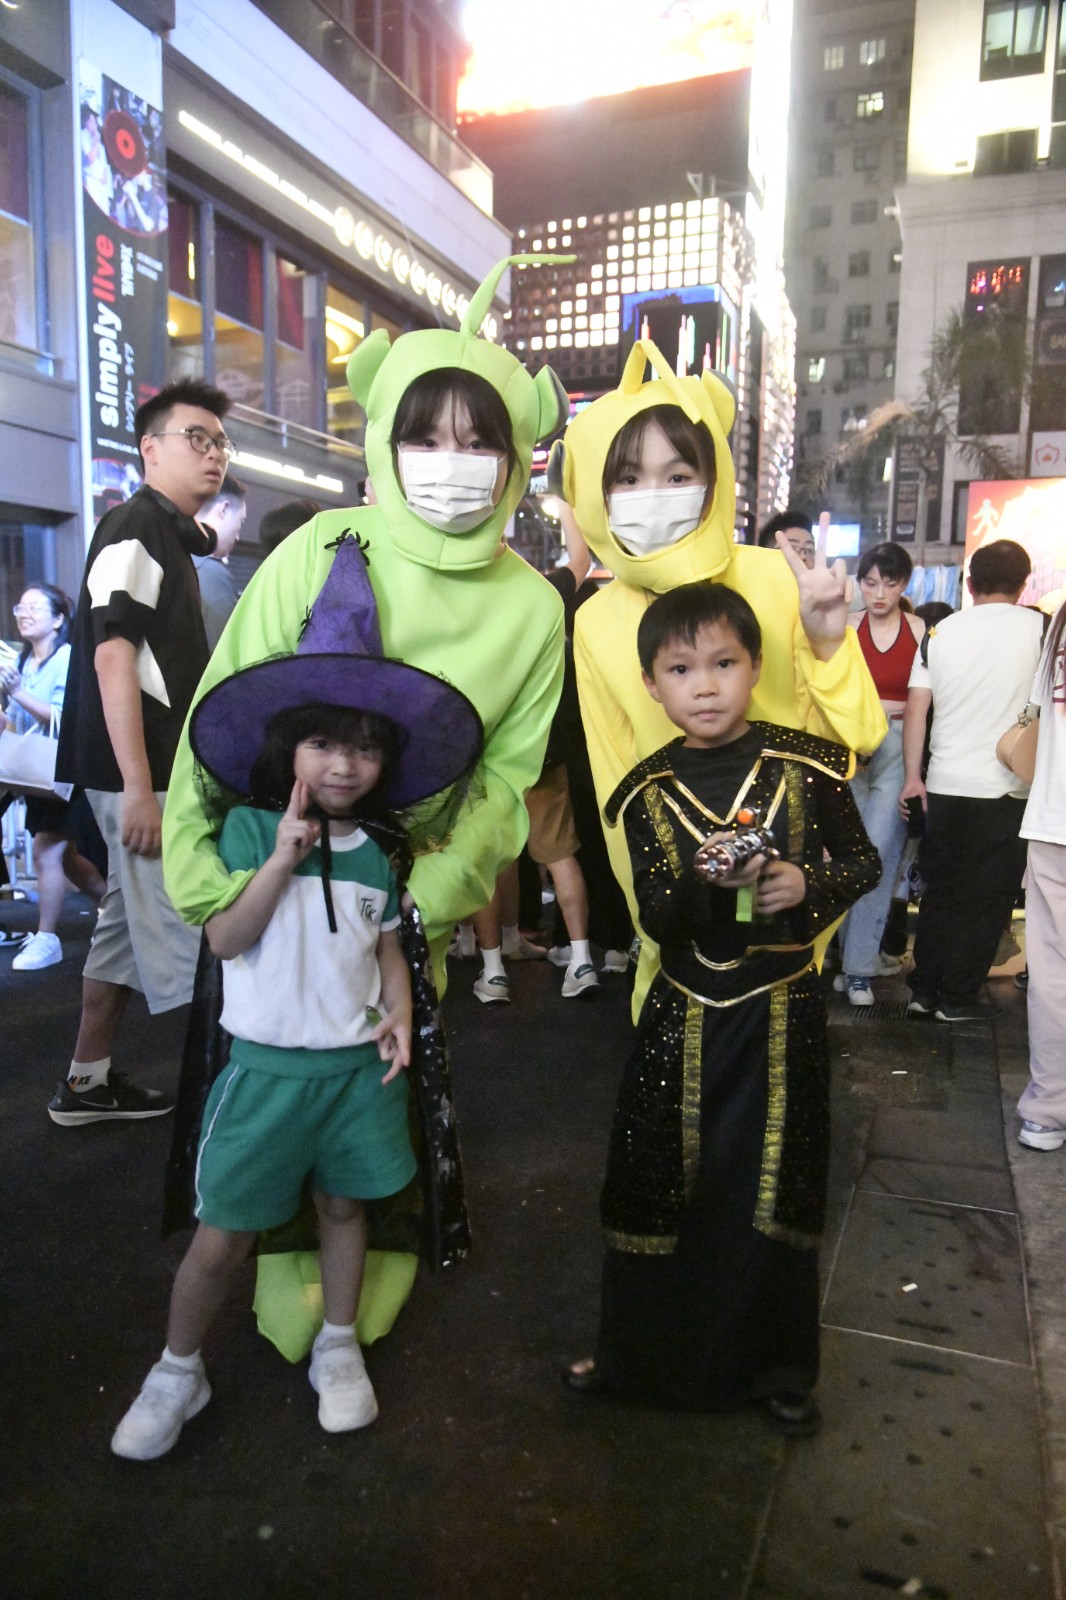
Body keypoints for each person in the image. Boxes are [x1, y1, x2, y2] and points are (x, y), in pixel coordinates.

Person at [110, 632, 482, 1460]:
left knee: (345, 1208)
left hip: (359, 1077)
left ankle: (337, 1345)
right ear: (289, 749)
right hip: (264, 1079)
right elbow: (226, 939)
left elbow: (385, 947)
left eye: (366, 748)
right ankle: (177, 1371)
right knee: (223, 1236)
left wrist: (398, 1013)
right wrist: (281, 859)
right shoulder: (248, 830)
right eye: (323, 743)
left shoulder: (378, 855)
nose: (345, 765)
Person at [563, 582, 878, 1432]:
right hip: (683, 1014)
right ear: (650, 684)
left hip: (782, 1013)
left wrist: (806, 883)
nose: (704, 686)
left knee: (775, 1186)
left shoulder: (808, 765)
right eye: (680, 670)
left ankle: (778, 1369)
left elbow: (862, 861)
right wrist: (710, 884)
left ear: (756, 666)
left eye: (724, 663)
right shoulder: (645, 791)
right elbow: (656, 918)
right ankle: (632, 1358)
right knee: (655, 1180)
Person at [554, 339, 886, 1015]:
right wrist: (652, 917)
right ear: (592, 490)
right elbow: (616, 782)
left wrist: (829, 644)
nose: (653, 496)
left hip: (784, 883)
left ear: (713, 476)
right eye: (627, 479)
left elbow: (856, 738)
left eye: (678, 475)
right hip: (676, 889)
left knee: (774, 1050)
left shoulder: (777, 578)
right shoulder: (597, 619)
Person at [49, 379, 229, 1126]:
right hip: (141, 774)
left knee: (123, 934)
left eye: (220, 443)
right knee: (199, 937)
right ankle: (234, 1123)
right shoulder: (136, 524)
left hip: (144, 771)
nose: (214, 454)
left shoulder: (167, 533)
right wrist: (139, 789)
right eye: (197, 438)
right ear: (150, 449)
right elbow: (112, 655)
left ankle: (85, 1083)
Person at [900, 539, 1044, 1023]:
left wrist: (912, 777)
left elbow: (917, 709)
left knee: (940, 893)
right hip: (1008, 788)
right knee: (987, 899)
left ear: (969, 582)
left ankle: (923, 991)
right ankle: (957, 997)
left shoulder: (940, 632)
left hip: (944, 784)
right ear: (1024, 584)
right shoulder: (1042, 630)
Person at [834, 542, 924, 1006]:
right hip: (850, 747)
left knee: (878, 857)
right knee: (846, 857)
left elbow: (923, 702)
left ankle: (858, 970)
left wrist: (915, 771)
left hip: (898, 745)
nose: (880, 593)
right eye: (870, 583)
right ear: (860, 584)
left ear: (904, 584)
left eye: (890, 583)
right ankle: (846, 960)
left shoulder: (919, 629)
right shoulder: (847, 626)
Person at [0, 584, 106, 968]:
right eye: (20, 608)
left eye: (34, 608)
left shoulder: (67, 658)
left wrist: (17, 692)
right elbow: (14, 721)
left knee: (46, 851)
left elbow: (63, 716)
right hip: (35, 773)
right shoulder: (23, 661)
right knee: (69, 859)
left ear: (59, 619)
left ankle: (47, 938)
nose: (24, 614)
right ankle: (120, 910)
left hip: (65, 770)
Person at [1010, 601, 1066, 1148]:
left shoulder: (1060, 624)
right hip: (1049, 822)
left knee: (1052, 978)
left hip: (1053, 820)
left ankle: (1047, 1112)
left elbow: (1037, 714)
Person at [193, 474, 247, 651]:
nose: (237, 537)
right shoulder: (211, 574)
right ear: (224, 509)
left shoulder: (172, 554)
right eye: (240, 522)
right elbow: (224, 654)